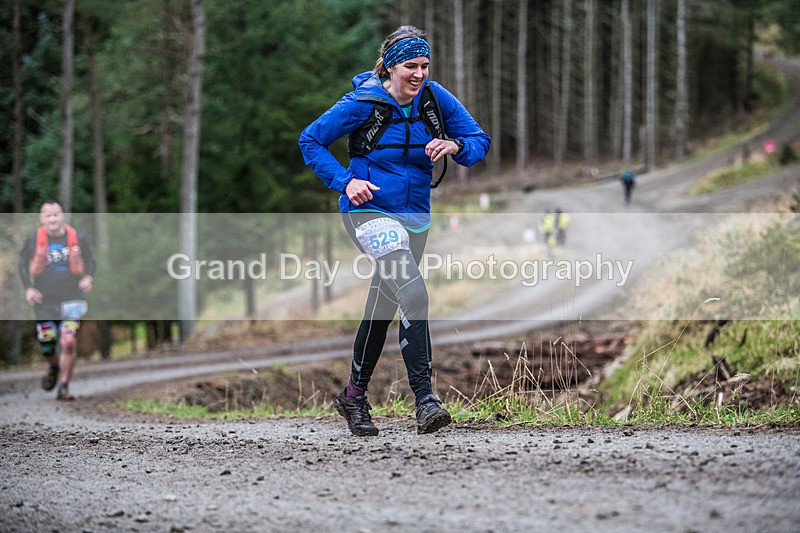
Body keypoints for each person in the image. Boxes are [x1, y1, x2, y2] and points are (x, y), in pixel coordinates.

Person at [299, 25, 490, 436]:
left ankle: (352, 396)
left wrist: (455, 146)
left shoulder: (436, 99)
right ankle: (425, 400)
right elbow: (311, 140)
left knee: (384, 307)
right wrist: (345, 181)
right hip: (368, 212)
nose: (419, 73)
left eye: (424, 65)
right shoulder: (362, 102)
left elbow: (479, 140)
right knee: (414, 292)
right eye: (410, 66)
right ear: (389, 66)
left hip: (415, 218)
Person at [19, 200, 95, 401]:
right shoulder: (34, 239)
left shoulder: (77, 237)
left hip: (72, 301)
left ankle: (64, 385)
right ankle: (54, 365)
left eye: (56, 214)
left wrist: (88, 277)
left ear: (63, 216)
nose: (52, 219)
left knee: (68, 341)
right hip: (44, 301)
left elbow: (91, 260)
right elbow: (21, 262)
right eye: (48, 215)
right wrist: (29, 288)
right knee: (47, 345)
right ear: (41, 218)